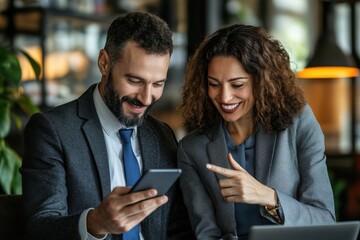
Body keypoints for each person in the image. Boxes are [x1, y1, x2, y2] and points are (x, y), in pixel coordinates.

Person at [21, 11, 194, 240]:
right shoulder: (52, 131)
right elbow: (38, 229)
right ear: (104, 63)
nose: (146, 98)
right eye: (134, 81)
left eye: (157, 84)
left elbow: (176, 229)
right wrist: (95, 223)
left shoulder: (161, 135)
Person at [177, 23, 336, 240]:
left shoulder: (298, 124)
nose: (224, 97)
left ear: (261, 82)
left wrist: (268, 197)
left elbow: (325, 221)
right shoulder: (192, 149)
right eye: (214, 84)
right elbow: (206, 234)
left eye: (237, 84)